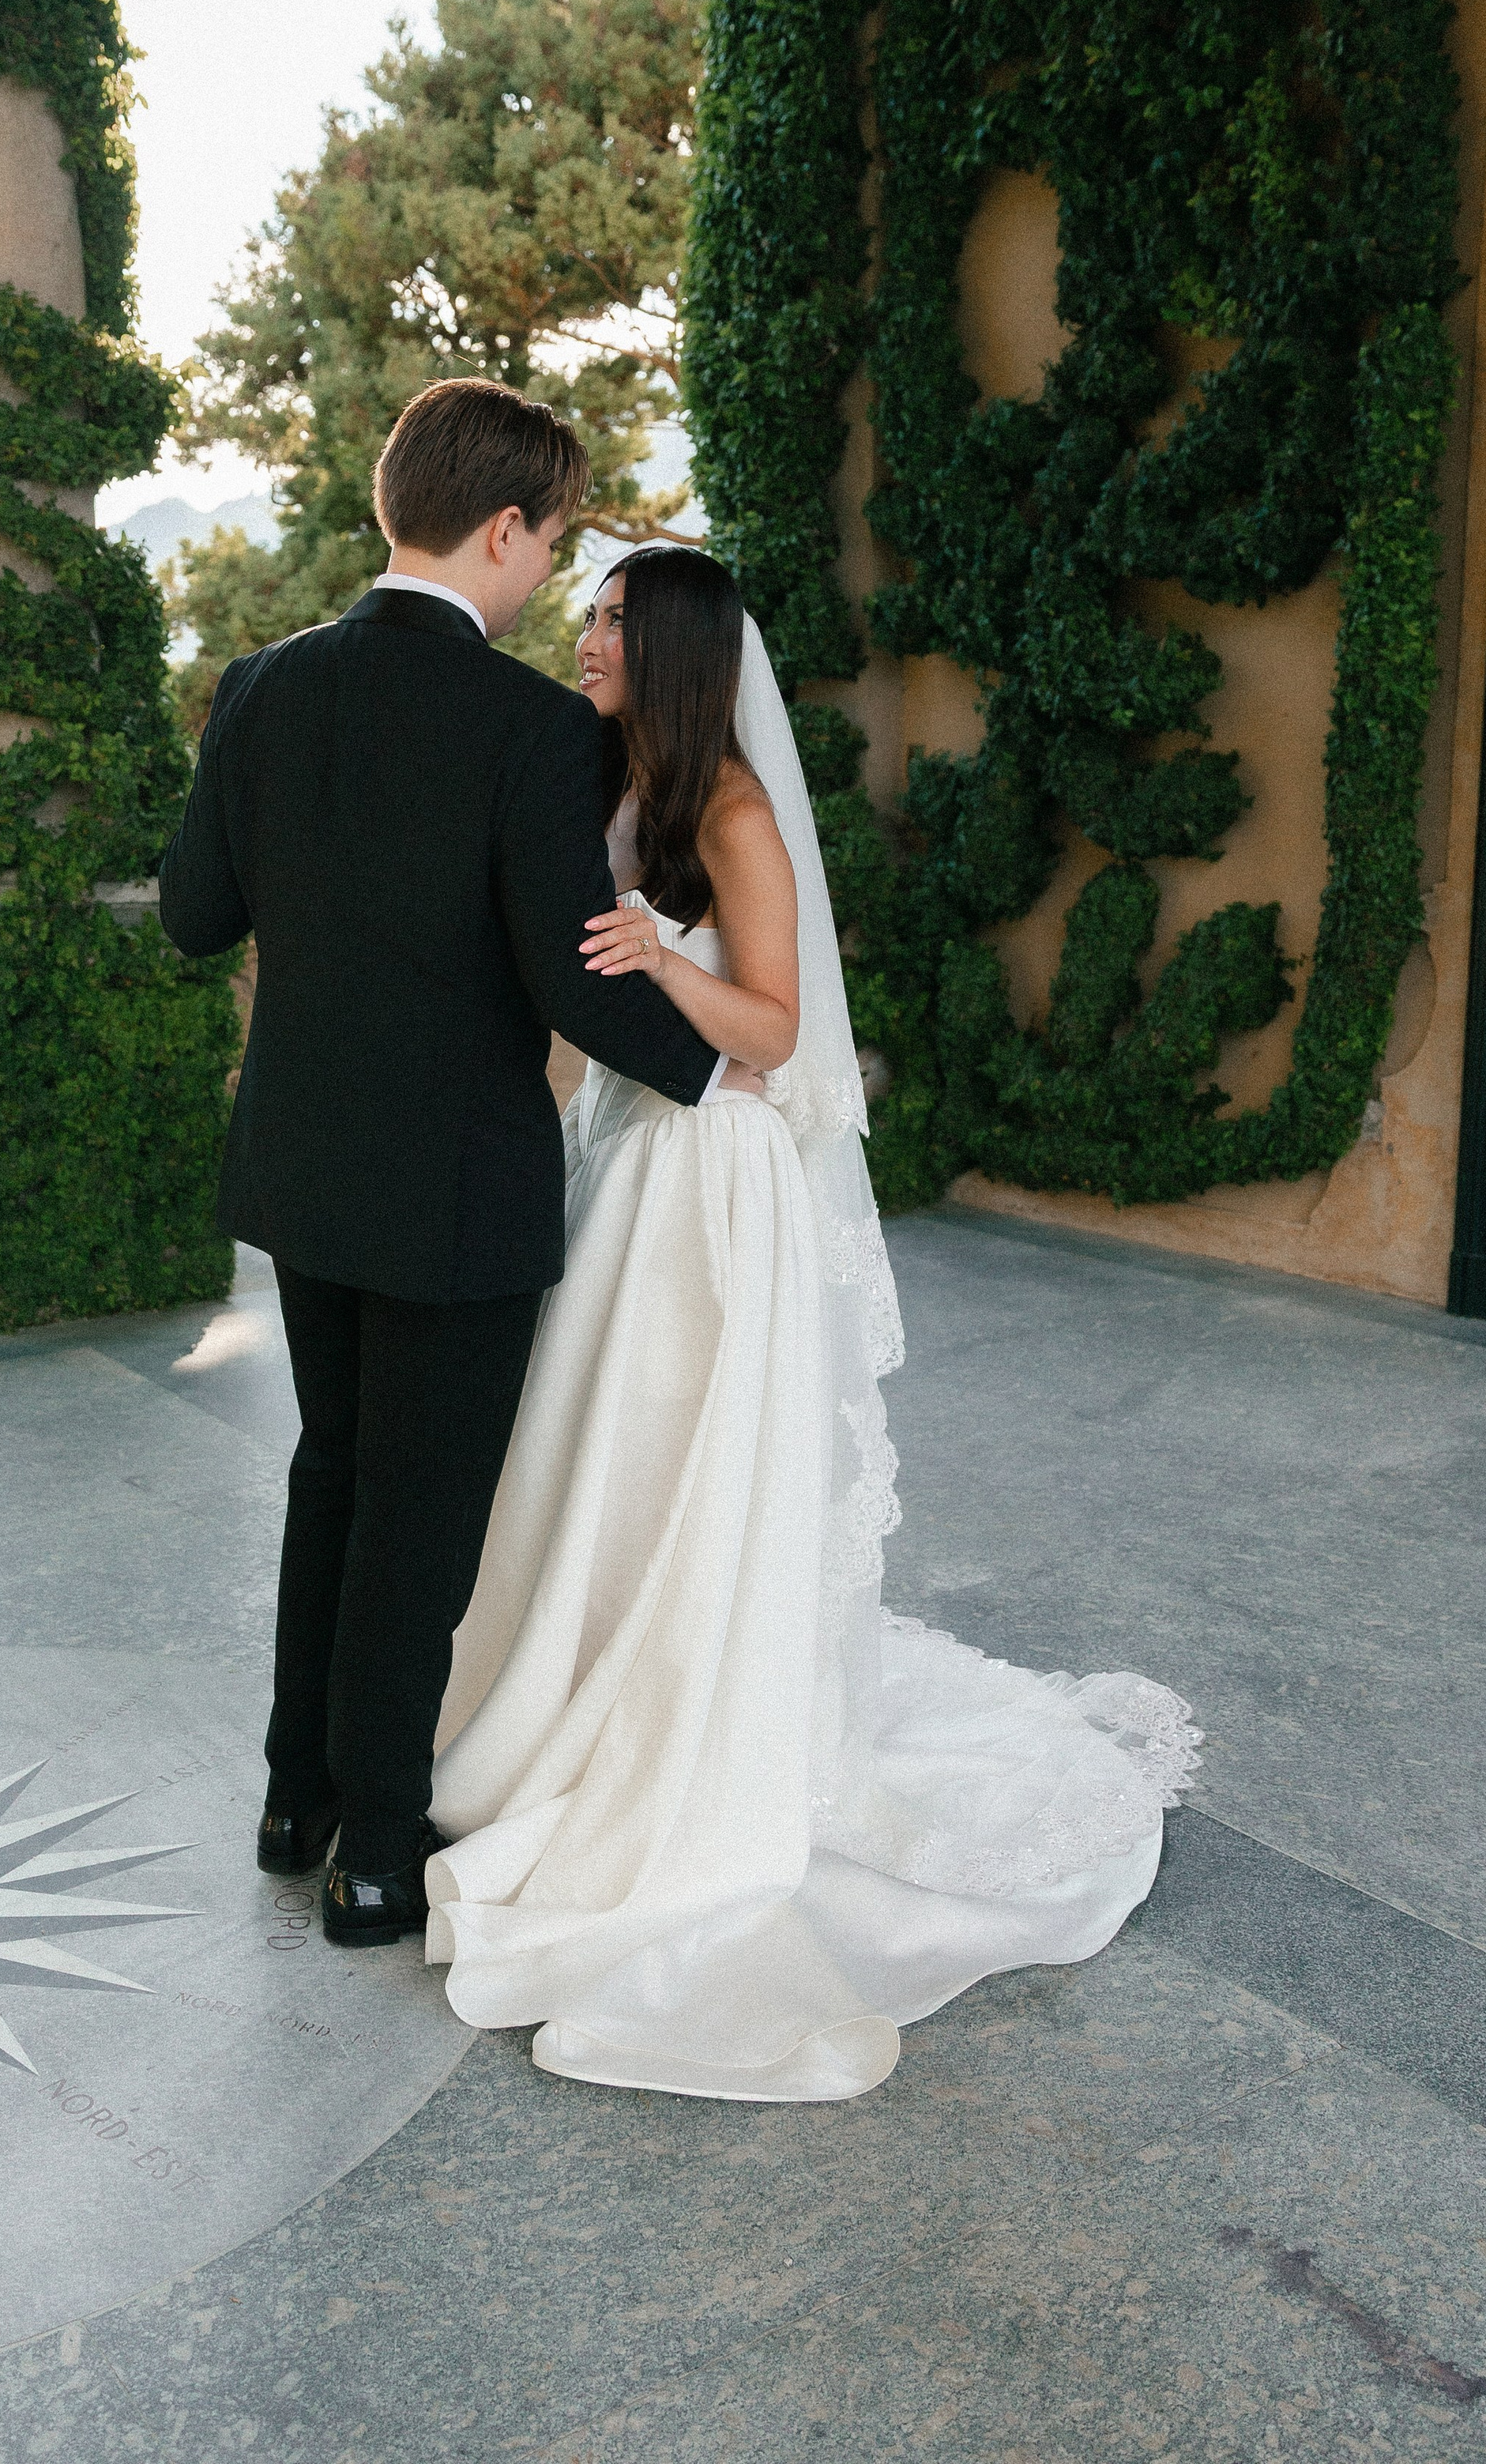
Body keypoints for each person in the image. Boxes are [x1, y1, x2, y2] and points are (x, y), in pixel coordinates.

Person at [423, 547, 1201, 2100]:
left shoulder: (730, 816)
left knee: (687, 1459)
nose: (582, 640)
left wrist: (661, 957)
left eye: (609, 626)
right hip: (632, 1165)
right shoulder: (627, 796)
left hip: (717, 1185)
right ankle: (583, 1700)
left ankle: (688, 1732)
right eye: (581, 614)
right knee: (604, 1457)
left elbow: (774, 1031)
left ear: (682, 657)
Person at [158, 384, 754, 1948]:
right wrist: (723, 1072)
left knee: (332, 1474)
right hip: (455, 1190)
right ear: (503, 528)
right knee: (420, 1518)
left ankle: (293, 1800)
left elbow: (191, 914)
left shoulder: (259, 687)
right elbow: (569, 982)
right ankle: (372, 1853)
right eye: (553, 543)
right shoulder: (534, 730)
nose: (551, 577)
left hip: (299, 1167)